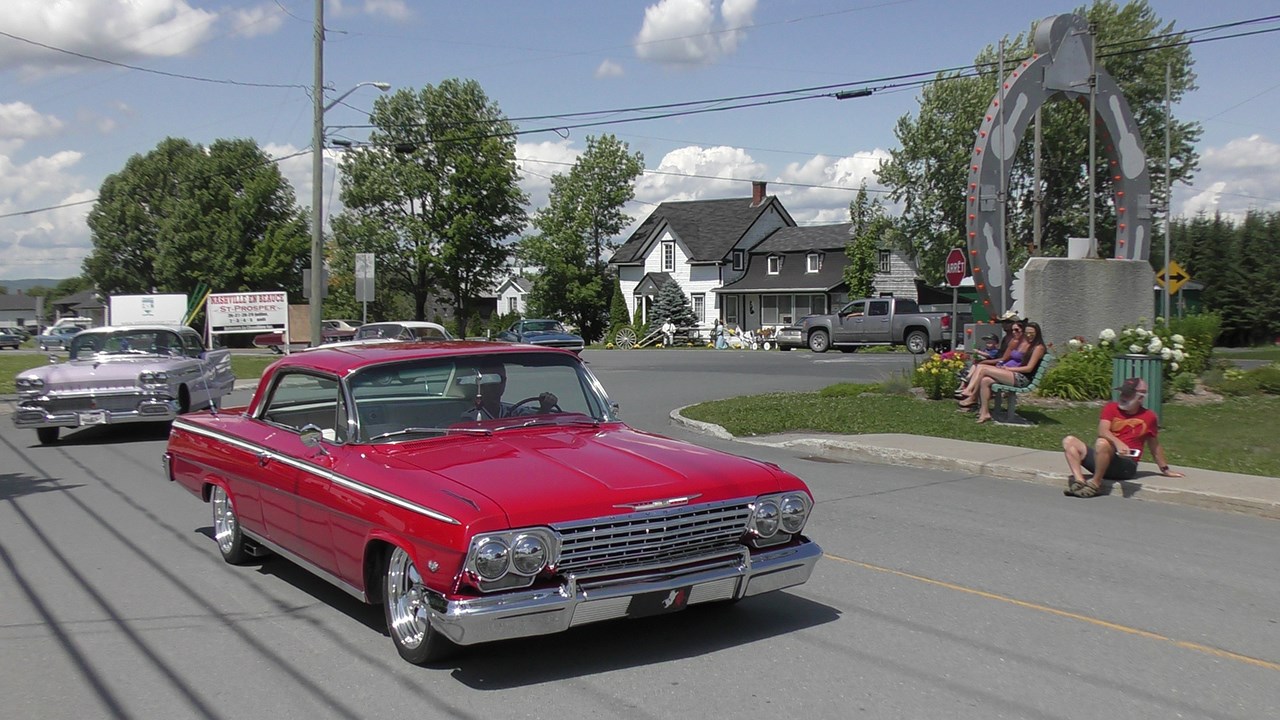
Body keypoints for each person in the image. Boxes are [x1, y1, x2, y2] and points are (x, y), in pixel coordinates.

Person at [1061, 378, 1184, 498]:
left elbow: (1154, 446)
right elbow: (1103, 430)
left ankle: (1095, 484)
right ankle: (1079, 481)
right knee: (1069, 441)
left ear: (1140, 398)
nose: (1123, 397)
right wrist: (1118, 443)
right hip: (1102, 459)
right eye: (1122, 393)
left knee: (1102, 443)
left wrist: (1165, 469)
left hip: (1125, 466)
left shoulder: (1149, 416)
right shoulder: (1111, 408)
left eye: (1128, 395)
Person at [958, 321, 1046, 423]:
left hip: (1022, 378)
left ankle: (972, 395)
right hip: (1014, 375)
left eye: (1031, 333)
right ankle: (984, 412)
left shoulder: (1038, 348)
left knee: (983, 369)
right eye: (1027, 333)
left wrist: (1008, 369)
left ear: (1037, 334)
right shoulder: (1024, 344)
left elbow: (1029, 368)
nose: (1029, 335)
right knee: (985, 380)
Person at [459, 360, 557, 420]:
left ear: (505, 382)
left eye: (500, 380)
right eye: (491, 380)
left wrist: (545, 408)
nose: (496, 386)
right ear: (481, 384)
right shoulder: (470, 416)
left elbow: (534, 425)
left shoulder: (514, 412)